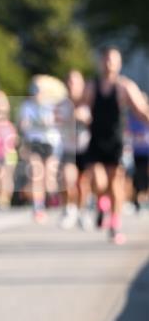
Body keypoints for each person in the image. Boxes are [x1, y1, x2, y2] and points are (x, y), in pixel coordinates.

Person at [84, 47, 149, 243]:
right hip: (95, 140)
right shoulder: (92, 86)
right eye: (106, 60)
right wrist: (79, 114)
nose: (109, 64)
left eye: (113, 61)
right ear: (100, 62)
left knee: (115, 182)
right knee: (97, 180)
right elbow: (81, 106)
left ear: (119, 64)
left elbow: (141, 110)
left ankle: (114, 223)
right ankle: (102, 203)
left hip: (117, 141)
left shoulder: (125, 86)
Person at [18, 77, 62, 222]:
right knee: (36, 174)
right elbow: (23, 125)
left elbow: (57, 123)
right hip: (34, 142)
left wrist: (47, 122)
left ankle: (52, 197)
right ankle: (38, 207)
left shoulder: (51, 106)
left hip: (49, 143)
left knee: (48, 176)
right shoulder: (27, 106)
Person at [55, 70, 91, 229]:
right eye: (69, 82)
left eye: (75, 82)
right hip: (68, 148)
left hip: (86, 148)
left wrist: (87, 119)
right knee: (67, 179)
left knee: (83, 184)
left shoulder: (89, 102)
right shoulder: (61, 105)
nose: (72, 85)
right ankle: (69, 209)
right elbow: (55, 123)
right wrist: (71, 118)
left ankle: (83, 211)